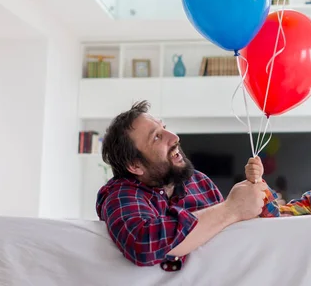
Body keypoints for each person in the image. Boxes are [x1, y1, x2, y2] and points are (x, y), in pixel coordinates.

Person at [96, 100, 272, 271]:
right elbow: (143, 243)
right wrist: (231, 208)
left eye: (164, 128)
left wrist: (253, 193)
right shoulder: (119, 195)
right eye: (157, 137)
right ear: (135, 166)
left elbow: (231, 236)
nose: (174, 137)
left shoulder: (199, 182)